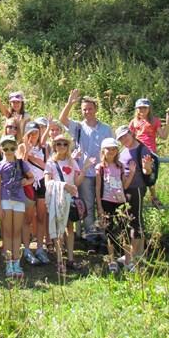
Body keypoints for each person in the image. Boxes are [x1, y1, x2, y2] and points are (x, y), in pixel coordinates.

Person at [59, 89, 113, 241]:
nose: (87, 112)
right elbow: (62, 119)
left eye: (90, 108)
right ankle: (91, 238)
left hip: (104, 173)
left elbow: (112, 149)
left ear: (96, 109)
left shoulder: (106, 129)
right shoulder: (78, 127)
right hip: (85, 174)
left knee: (104, 205)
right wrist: (70, 103)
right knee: (88, 206)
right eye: (84, 109)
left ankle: (104, 237)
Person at [44, 134, 95, 273]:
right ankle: (60, 260)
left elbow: (77, 182)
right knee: (59, 230)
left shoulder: (72, 162)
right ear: (54, 146)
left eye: (64, 144)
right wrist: (64, 185)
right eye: (58, 144)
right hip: (58, 199)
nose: (61, 146)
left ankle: (71, 259)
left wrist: (84, 169)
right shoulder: (50, 163)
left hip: (71, 199)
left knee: (69, 229)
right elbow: (47, 182)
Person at [0, 135, 34, 278]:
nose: (8, 151)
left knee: (17, 233)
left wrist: (26, 182)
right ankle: (8, 263)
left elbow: (32, 177)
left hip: (19, 201)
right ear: (1, 149)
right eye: (5, 148)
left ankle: (17, 262)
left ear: (16, 148)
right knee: (7, 233)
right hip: (5, 200)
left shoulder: (22, 163)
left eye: (11, 147)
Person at [115, 125, 155, 271]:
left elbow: (147, 171)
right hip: (125, 189)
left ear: (131, 133)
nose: (124, 139)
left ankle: (135, 258)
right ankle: (135, 255)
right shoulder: (124, 150)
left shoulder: (142, 149)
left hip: (137, 188)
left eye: (125, 136)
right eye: (120, 138)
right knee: (129, 221)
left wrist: (147, 167)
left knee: (136, 222)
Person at [95, 138, 133, 274]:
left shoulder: (120, 166)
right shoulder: (100, 168)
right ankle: (112, 261)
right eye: (108, 149)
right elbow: (98, 188)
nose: (111, 151)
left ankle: (128, 261)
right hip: (106, 202)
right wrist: (99, 206)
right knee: (109, 232)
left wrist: (132, 173)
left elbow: (125, 185)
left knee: (126, 231)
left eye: (114, 149)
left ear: (117, 151)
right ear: (103, 151)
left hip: (121, 202)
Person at [17, 121, 50, 265]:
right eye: (30, 133)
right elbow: (20, 166)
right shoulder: (22, 147)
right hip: (28, 184)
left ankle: (40, 248)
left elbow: (47, 166)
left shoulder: (44, 147)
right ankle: (27, 249)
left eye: (36, 133)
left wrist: (32, 157)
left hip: (41, 183)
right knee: (28, 218)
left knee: (42, 216)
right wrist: (26, 153)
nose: (33, 136)